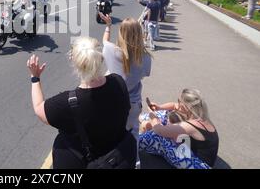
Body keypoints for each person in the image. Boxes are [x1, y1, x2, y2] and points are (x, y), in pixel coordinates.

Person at [26, 37, 132, 169]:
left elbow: (38, 109)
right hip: (117, 159)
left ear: (75, 63)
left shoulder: (66, 103)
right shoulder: (118, 82)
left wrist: (35, 78)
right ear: (101, 59)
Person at [99, 14, 152, 167]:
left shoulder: (110, 50)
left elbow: (104, 41)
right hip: (133, 103)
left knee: (111, 132)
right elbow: (146, 74)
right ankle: (135, 163)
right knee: (133, 132)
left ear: (121, 33)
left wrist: (108, 25)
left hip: (112, 102)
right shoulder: (146, 58)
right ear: (140, 34)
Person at [139, 89, 219, 169]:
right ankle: (144, 124)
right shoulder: (200, 116)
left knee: (157, 136)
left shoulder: (189, 126)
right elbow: (174, 105)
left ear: (187, 107)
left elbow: (159, 130)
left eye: (179, 101)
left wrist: (153, 116)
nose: (178, 103)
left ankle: (133, 143)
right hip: (192, 153)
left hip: (197, 165)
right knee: (166, 113)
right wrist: (159, 107)